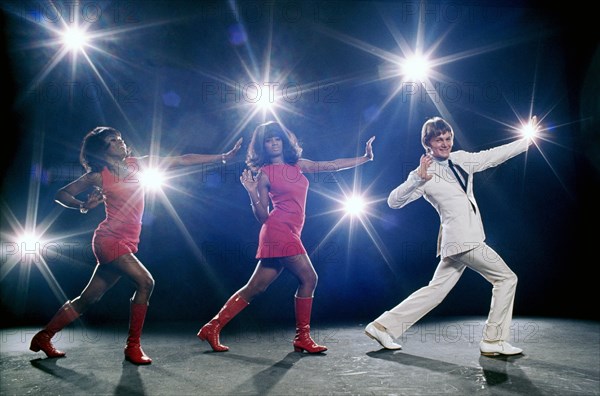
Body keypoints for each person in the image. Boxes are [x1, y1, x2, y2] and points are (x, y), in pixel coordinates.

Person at [29, 126, 242, 364]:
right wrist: (82, 205)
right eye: (113, 140)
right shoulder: (98, 176)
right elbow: (62, 193)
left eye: (120, 138)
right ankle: (132, 347)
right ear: (103, 149)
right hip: (109, 240)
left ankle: (43, 336)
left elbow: (182, 160)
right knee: (145, 282)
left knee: (87, 299)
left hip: (127, 241)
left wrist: (222, 157)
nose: (121, 142)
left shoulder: (138, 164)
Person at [365, 116, 538, 356]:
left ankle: (382, 326)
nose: (445, 144)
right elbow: (393, 201)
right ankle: (493, 340)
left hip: (458, 241)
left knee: (435, 291)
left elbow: (491, 156)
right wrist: (417, 180)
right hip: (463, 240)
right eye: (439, 140)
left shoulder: (461, 159)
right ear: (428, 144)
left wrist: (526, 141)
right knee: (506, 279)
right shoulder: (423, 173)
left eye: (448, 138)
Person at [197, 121, 375, 353]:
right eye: (268, 140)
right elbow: (262, 216)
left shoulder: (298, 165)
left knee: (255, 287)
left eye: (277, 139)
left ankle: (213, 327)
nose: (273, 143)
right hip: (277, 229)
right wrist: (251, 193)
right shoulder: (263, 174)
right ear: (263, 146)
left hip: (291, 230)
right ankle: (303, 337)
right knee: (309, 278)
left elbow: (330, 165)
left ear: (284, 141)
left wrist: (364, 158)